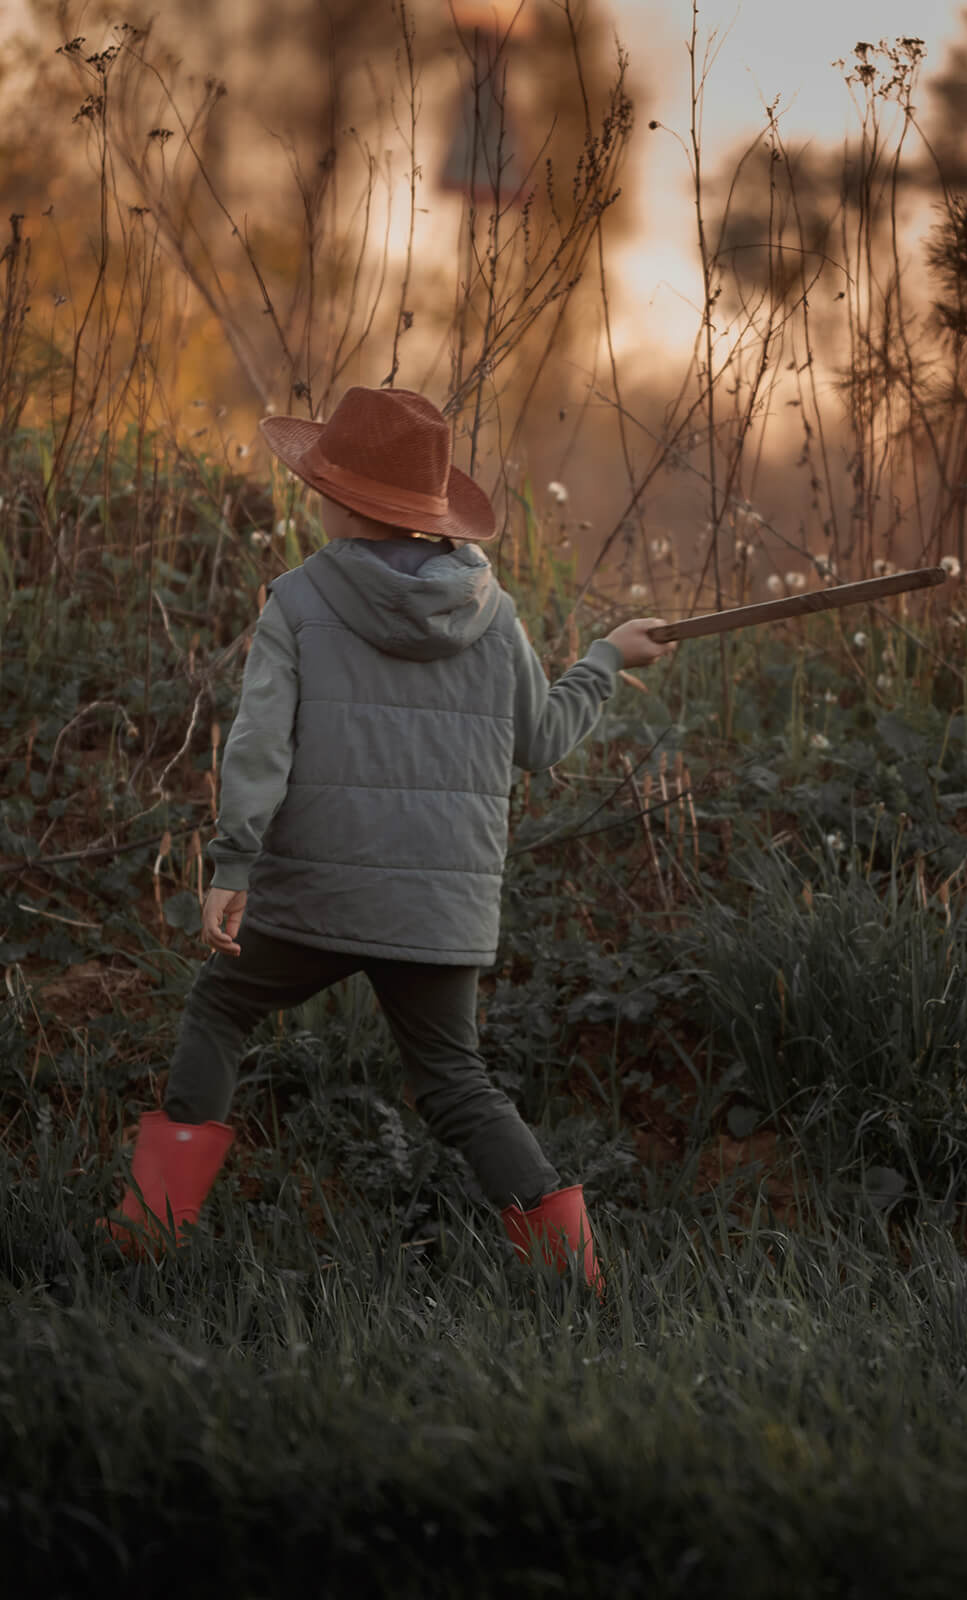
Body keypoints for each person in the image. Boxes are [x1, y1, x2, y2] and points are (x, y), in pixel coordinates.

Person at [99, 386, 675, 1300]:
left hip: (314, 894)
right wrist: (604, 659)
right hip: (441, 907)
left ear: (345, 501)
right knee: (456, 1081)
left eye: (322, 480)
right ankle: (577, 1283)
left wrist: (233, 864)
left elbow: (258, 746)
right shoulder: (497, 613)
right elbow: (541, 743)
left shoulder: (298, 600)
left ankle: (151, 1236)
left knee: (221, 1009)